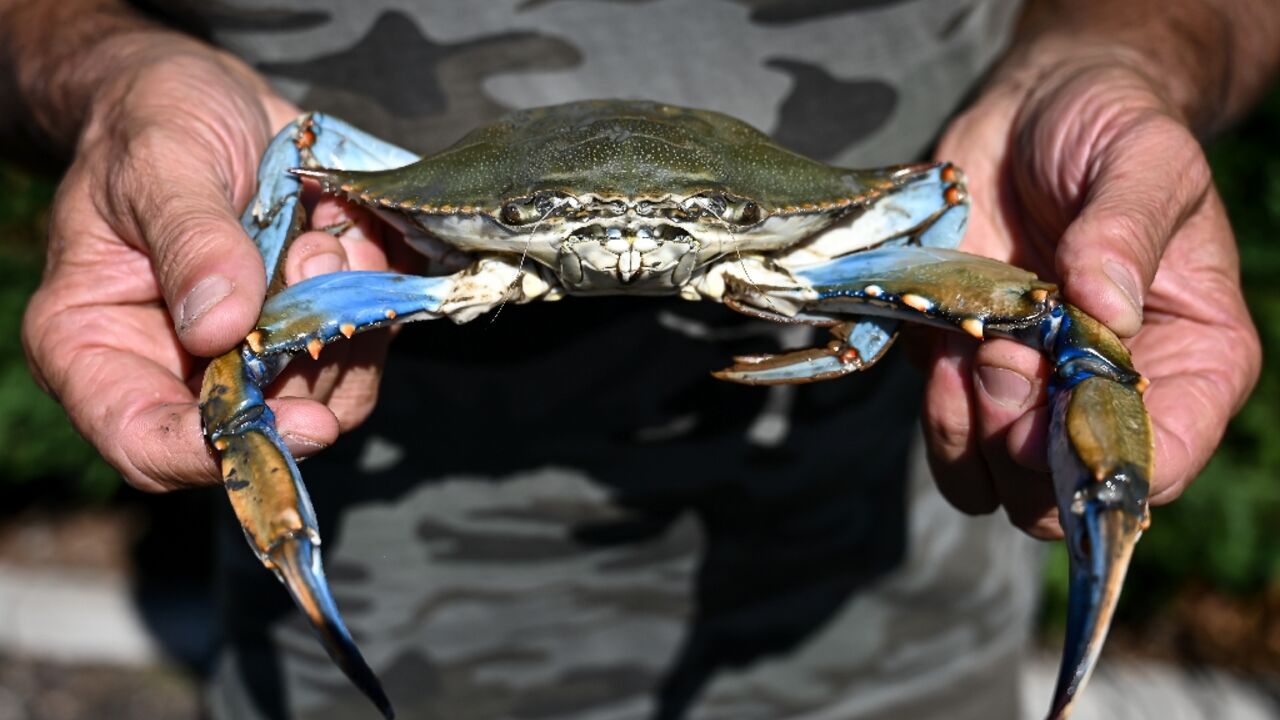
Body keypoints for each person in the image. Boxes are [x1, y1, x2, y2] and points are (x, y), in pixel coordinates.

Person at [3, 0, 1275, 718]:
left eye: (692, 227)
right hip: (344, 665)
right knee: (241, 369)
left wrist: (1125, 50)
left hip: (892, 657)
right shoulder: (381, 199)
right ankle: (312, 591)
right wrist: (106, 74)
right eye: (551, 224)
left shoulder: (883, 217)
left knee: (1065, 325)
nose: (621, 250)